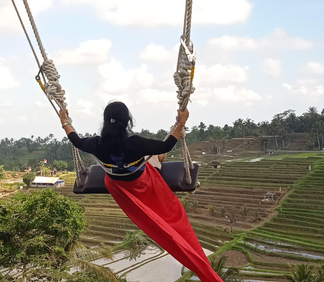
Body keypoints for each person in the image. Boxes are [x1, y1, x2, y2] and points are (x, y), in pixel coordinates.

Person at [59, 101, 223, 282]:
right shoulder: (135, 143)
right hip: (141, 183)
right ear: (127, 121)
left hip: (116, 184)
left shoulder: (97, 143)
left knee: (150, 158)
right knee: (159, 157)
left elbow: (76, 140)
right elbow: (166, 145)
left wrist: (64, 121)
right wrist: (181, 123)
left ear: (105, 121)